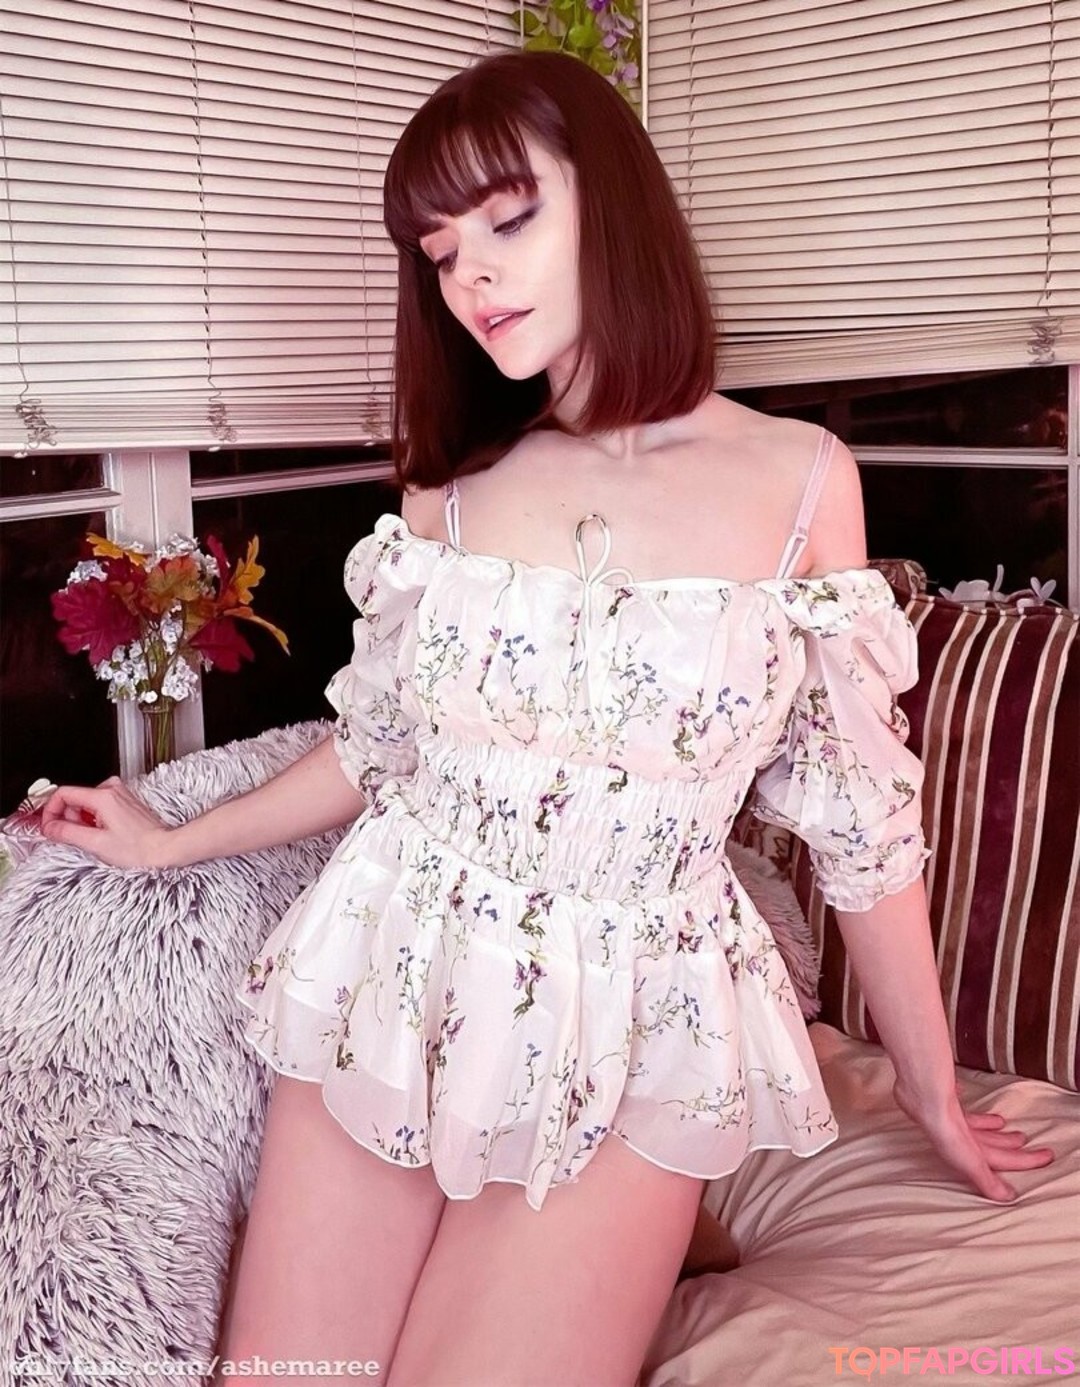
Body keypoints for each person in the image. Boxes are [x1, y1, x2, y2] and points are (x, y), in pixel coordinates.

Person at [40, 48, 1054, 1387]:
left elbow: (861, 823)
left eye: (508, 219)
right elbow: (384, 748)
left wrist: (931, 1089)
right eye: (440, 252)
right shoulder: (450, 491)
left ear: (612, 204)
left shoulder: (801, 480)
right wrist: (172, 841)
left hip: (638, 1010)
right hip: (398, 966)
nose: (471, 276)